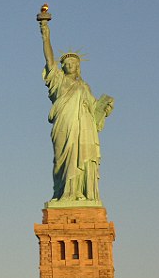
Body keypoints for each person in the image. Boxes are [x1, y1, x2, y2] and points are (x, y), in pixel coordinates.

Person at [40, 14, 114, 204]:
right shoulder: (58, 81)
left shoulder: (84, 87)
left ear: (78, 67)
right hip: (64, 125)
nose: (70, 65)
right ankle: (65, 193)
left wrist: (104, 106)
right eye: (67, 63)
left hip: (84, 129)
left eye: (74, 63)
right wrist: (45, 32)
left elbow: (94, 112)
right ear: (62, 66)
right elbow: (49, 60)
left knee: (83, 158)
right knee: (62, 161)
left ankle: (82, 193)